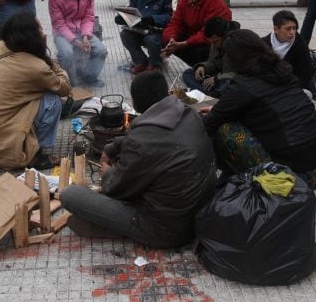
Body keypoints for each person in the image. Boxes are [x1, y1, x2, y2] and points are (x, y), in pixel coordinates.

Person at [60, 71, 216, 248]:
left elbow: (116, 189)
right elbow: (150, 138)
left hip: (167, 231)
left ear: (134, 102)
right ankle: (107, 223)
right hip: (200, 215)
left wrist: (108, 174)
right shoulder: (190, 114)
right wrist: (113, 148)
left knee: (69, 195)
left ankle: (120, 228)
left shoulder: (142, 142)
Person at [201, 29, 316, 189]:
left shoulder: (243, 86)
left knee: (228, 132)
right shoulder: (282, 72)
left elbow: (209, 124)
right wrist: (222, 111)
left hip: (295, 177)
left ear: (233, 58)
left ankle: (253, 181)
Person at [0, 11, 71, 170]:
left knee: (37, 94)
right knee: (52, 99)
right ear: (32, 36)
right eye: (39, 28)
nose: (42, 31)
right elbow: (65, 88)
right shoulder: (35, 67)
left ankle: (29, 144)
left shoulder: (1, 47)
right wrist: (50, 59)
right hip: (7, 150)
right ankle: (37, 156)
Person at [48, 0, 107, 87]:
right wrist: (76, 42)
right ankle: (70, 82)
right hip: (62, 33)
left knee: (101, 51)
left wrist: (85, 36)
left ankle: (89, 76)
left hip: (82, 29)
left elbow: (88, 16)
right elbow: (58, 23)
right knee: (67, 54)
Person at [162, 0, 232, 66]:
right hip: (193, 37)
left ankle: (201, 70)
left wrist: (184, 43)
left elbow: (208, 34)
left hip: (212, 42)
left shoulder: (215, 3)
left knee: (197, 52)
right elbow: (176, 23)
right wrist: (171, 39)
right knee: (163, 40)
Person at [117, 0, 173, 74]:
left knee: (151, 39)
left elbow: (171, 17)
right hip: (140, 28)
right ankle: (140, 62)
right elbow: (130, 9)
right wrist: (123, 17)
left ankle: (155, 64)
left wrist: (153, 19)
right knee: (125, 34)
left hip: (159, 32)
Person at [182, 17, 240, 97]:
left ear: (225, 35)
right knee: (188, 73)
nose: (214, 45)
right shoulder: (215, 42)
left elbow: (240, 73)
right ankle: (208, 95)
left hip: (231, 78)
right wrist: (203, 67)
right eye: (211, 42)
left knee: (226, 86)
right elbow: (213, 62)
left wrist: (217, 79)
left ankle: (206, 94)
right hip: (218, 76)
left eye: (216, 42)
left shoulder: (238, 43)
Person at [263, 10, 312, 90]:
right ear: (276, 29)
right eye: (288, 29)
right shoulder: (264, 44)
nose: (292, 32)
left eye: (294, 28)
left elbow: (305, 75)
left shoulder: (300, 45)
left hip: (291, 88)